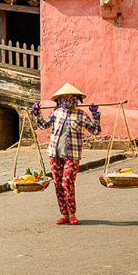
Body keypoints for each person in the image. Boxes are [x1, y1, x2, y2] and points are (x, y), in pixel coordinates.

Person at [31, 83, 101, 226]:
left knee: (67, 183)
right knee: (58, 184)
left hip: (72, 155)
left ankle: (72, 213)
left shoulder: (81, 115)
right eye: (65, 98)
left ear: (77, 99)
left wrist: (95, 115)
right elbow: (43, 125)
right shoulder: (56, 113)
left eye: (71, 97)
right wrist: (37, 113)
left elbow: (95, 131)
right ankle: (64, 214)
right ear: (60, 100)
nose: (68, 100)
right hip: (54, 154)